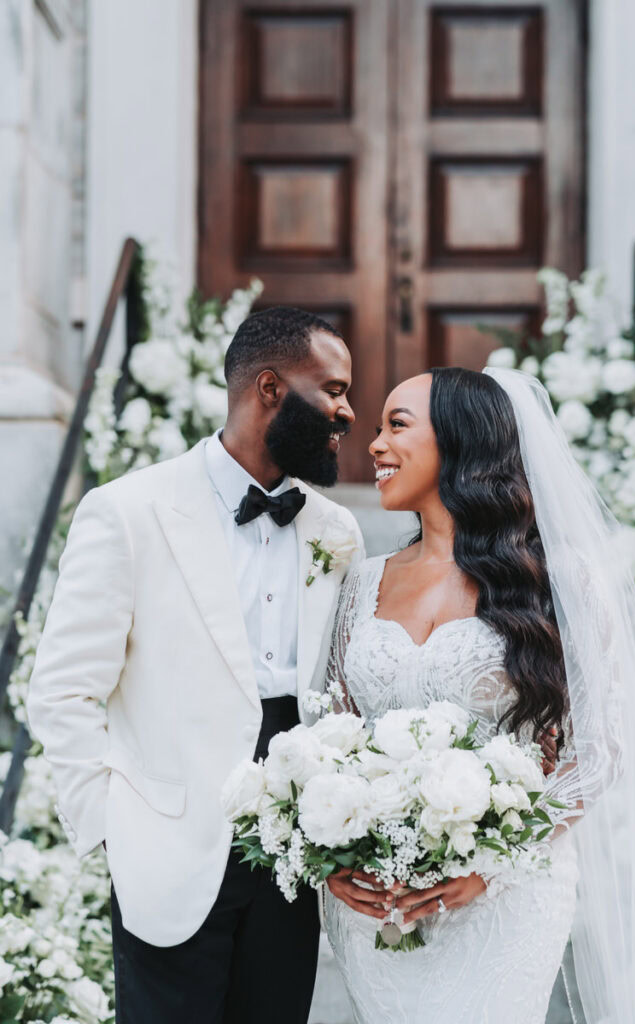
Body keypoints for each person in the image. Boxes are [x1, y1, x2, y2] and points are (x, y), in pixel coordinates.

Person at [26, 306, 365, 1024]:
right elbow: (62, 689)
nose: (347, 411)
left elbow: (340, 688)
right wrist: (114, 832)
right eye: (332, 389)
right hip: (168, 853)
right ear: (269, 388)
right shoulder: (127, 511)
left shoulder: (337, 531)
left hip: (290, 860)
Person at [324, 367, 635, 1024]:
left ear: (462, 441)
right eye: (376, 429)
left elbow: (599, 751)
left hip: (506, 895)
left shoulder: (557, 582)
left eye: (396, 425)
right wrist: (334, 857)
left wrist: (492, 863)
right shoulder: (357, 584)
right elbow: (331, 734)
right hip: (379, 900)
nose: (373, 445)